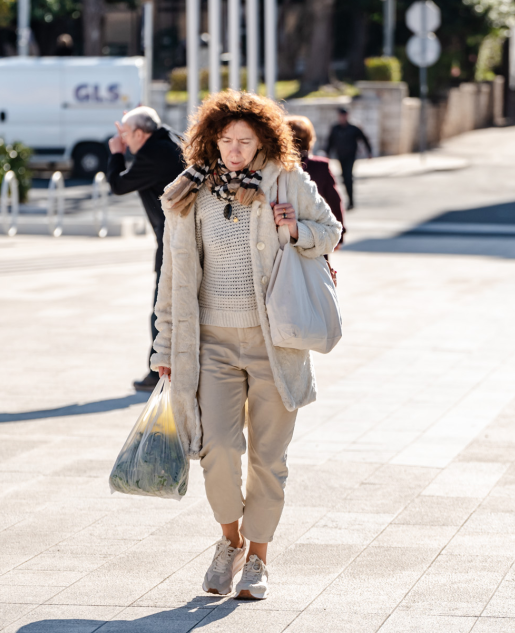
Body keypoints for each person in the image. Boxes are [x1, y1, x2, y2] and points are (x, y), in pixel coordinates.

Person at [152, 90, 341, 600]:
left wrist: (295, 228)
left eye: (245, 141)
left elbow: (330, 230)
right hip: (211, 344)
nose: (234, 150)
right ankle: (229, 541)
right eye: (226, 140)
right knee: (216, 449)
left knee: (268, 459)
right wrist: (164, 348)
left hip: (274, 342)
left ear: (263, 142)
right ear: (211, 140)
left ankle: (258, 558)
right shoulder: (190, 191)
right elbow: (173, 276)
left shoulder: (286, 179)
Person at [106, 106, 185, 391]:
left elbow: (118, 184)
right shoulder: (170, 141)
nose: (123, 139)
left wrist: (116, 153)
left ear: (140, 133)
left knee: (162, 307)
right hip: (181, 237)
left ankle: (158, 373)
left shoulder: (153, 154)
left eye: (126, 134)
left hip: (175, 241)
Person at [285, 115, 345, 247]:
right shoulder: (320, 166)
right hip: (316, 236)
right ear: (310, 139)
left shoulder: (278, 168)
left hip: (286, 239)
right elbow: (334, 201)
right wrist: (339, 236)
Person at [324, 107, 372, 210]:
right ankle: (348, 200)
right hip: (340, 156)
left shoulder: (353, 128)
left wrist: (369, 152)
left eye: (344, 116)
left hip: (351, 156)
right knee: (344, 178)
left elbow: (364, 138)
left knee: (348, 176)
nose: (342, 118)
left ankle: (351, 201)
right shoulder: (335, 128)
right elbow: (330, 142)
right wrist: (327, 154)